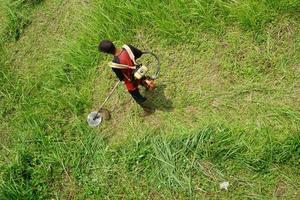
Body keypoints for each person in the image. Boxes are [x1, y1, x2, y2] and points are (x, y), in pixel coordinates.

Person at [98, 39, 155, 116]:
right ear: (113, 44)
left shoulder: (115, 64)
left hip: (130, 81)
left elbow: (121, 78)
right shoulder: (128, 47)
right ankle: (148, 84)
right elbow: (139, 53)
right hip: (138, 72)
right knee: (141, 79)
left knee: (137, 97)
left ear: (107, 52)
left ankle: (148, 110)